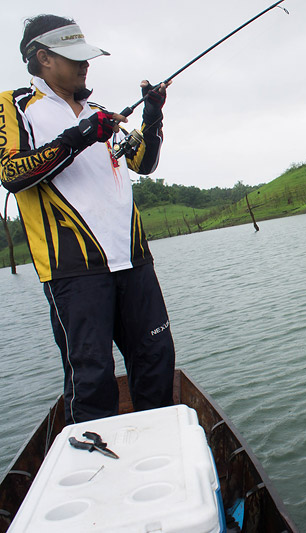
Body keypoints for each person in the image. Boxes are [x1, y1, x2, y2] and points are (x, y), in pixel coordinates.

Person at [0, 15, 175, 424]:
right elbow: (11, 173)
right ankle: (94, 471)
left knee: (155, 359)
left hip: (134, 261)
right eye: (74, 58)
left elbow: (143, 162)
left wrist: (153, 118)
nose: (85, 65)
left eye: (87, 58)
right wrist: (79, 136)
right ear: (43, 58)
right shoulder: (14, 105)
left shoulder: (100, 113)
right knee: (92, 378)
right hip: (73, 271)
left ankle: (160, 450)